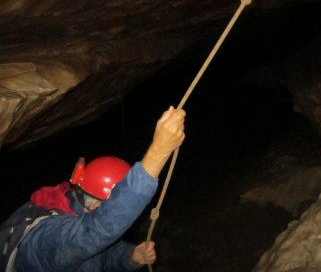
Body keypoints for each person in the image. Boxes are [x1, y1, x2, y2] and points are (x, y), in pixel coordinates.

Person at [1, 106, 185, 271]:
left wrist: (129, 257)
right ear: (86, 198)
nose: (103, 209)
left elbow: (102, 254)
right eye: (104, 205)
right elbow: (96, 231)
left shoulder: (82, 215)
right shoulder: (48, 236)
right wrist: (159, 151)